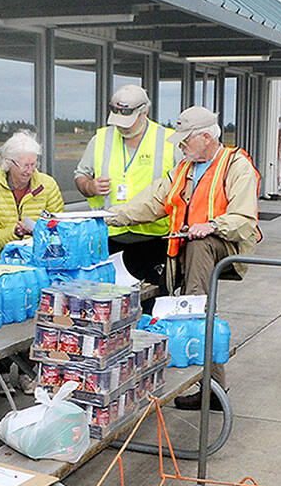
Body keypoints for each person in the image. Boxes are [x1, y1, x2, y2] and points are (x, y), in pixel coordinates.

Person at [107, 106, 261, 409]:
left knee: (196, 304)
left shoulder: (236, 166)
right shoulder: (184, 169)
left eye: (185, 140)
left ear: (206, 137)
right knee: (198, 310)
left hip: (220, 247)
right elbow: (153, 202)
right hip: (185, 251)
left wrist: (213, 226)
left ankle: (205, 382)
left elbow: (245, 219)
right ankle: (214, 389)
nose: (180, 146)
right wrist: (111, 217)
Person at [74, 84, 178, 285]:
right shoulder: (101, 139)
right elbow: (81, 176)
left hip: (154, 239)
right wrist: (90, 186)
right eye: (118, 122)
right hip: (109, 238)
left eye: (127, 123)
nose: (121, 127)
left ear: (144, 113)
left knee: (149, 304)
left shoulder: (168, 141)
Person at [0, 129, 65, 256]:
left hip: (39, 259)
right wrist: (15, 233)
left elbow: (59, 230)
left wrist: (35, 232)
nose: (30, 171)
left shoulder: (48, 185)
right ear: (9, 163)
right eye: (25, 166)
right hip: (1, 262)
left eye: (33, 164)